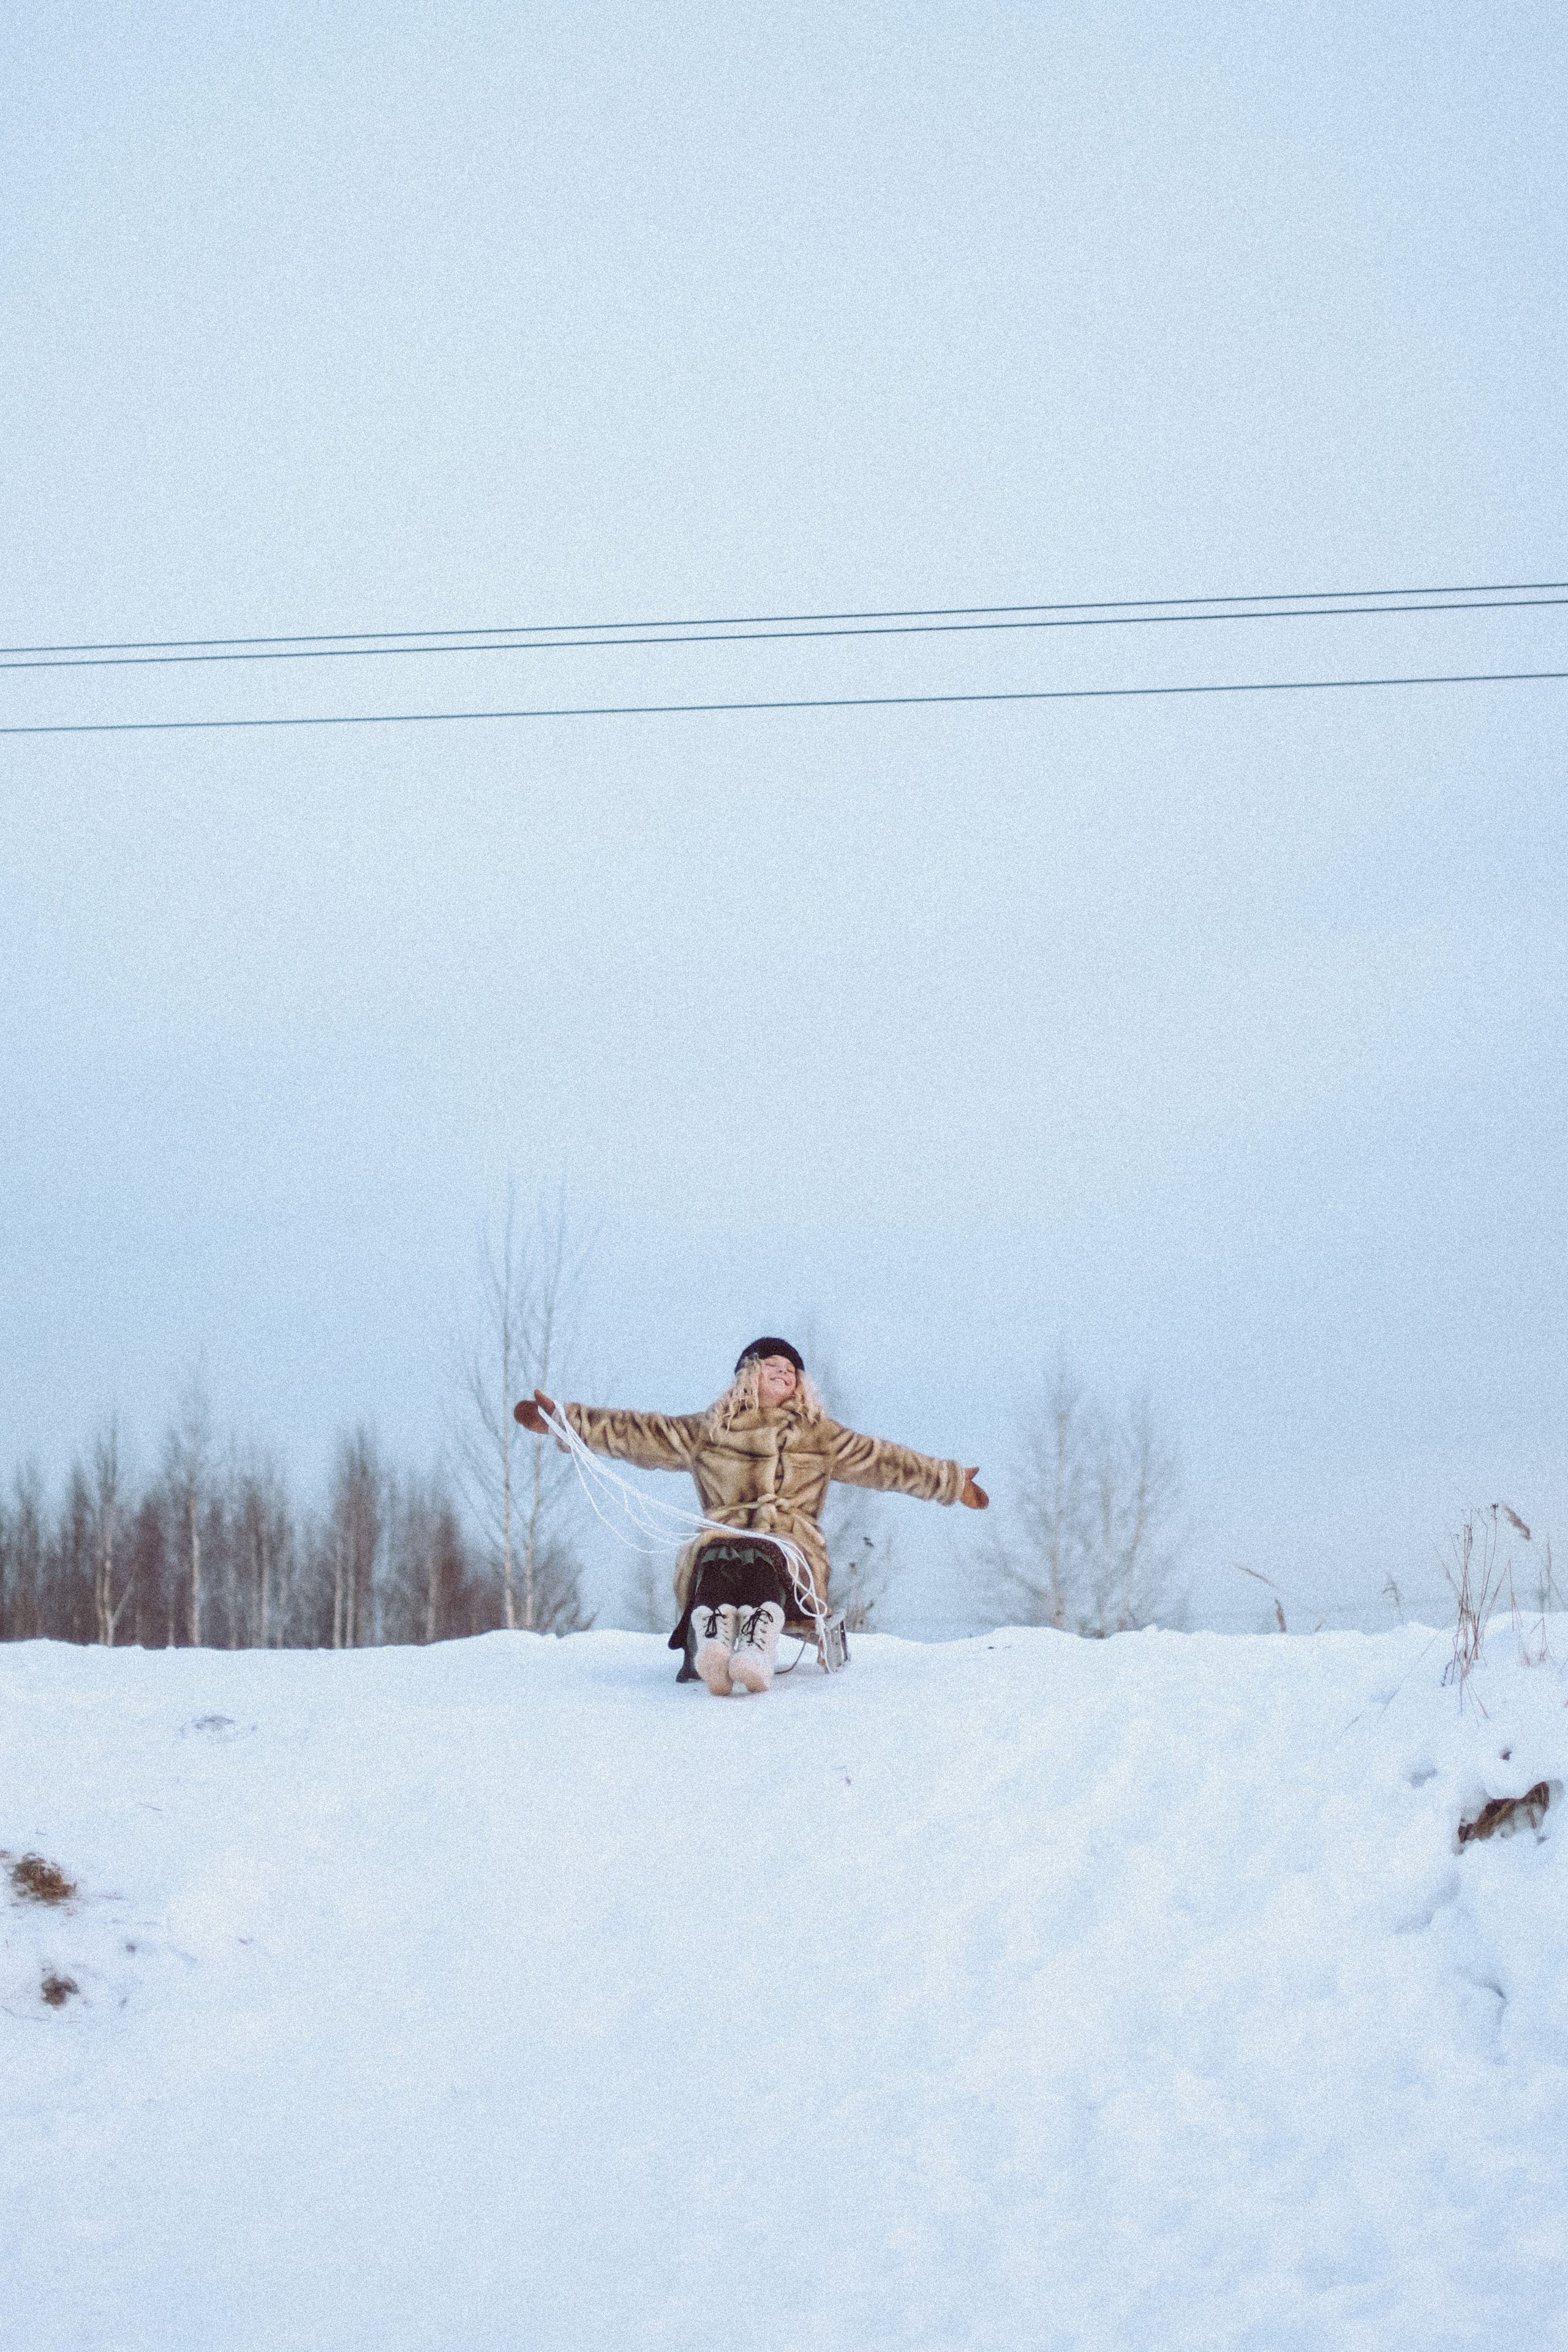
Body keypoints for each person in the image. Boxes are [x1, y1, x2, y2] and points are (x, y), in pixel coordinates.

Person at [516, 1336, 987, 1695]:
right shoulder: (708, 1431)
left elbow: (886, 1462)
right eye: (772, 1367)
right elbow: (638, 1432)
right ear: (748, 1376)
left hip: (792, 1551)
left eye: (791, 1371)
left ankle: (760, 1641)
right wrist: (569, 1422)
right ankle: (714, 1634)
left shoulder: (820, 1436)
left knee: (765, 1554)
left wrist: (949, 1480)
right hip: (720, 1537)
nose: (783, 1373)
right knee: (720, 1555)